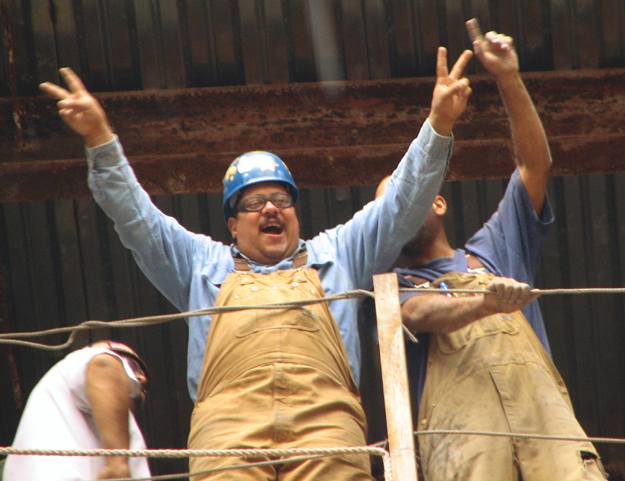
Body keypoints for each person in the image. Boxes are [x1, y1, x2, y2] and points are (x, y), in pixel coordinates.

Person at [39, 45, 472, 480]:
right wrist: (99, 137)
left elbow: (402, 204)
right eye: (254, 202)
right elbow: (135, 217)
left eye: (281, 199)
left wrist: (439, 124)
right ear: (232, 223)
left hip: (329, 430)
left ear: (295, 213)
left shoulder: (340, 252)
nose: (270, 208)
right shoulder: (199, 264)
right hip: (226, 435)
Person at [375, 19, 608, 481]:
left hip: (549, 434)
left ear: (437, 201)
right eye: (386, 208)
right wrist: (487, 303)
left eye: (404, 199)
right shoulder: (389, 288)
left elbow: (534, 164)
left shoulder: (495, 248)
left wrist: (508, 79)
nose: (395, 213)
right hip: (463, 448)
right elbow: (423, 314)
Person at [2, 341, 150, 480]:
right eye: (134, 368)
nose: (141, 380)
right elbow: (104, 364)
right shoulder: (86, 359)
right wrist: (117, 466)